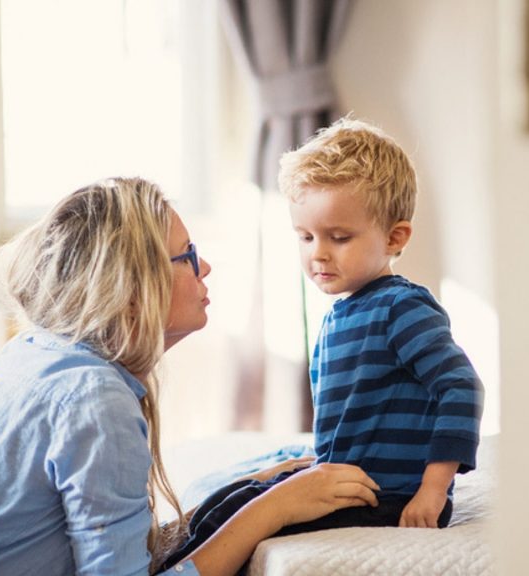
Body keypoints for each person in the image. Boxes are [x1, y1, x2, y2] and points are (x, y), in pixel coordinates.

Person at [0, 177, 381, 576]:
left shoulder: (32, 357)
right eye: (188, 256)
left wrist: (243, 492)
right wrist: (274, 510)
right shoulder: (94, 398)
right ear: (133, 292)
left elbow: (119, 550)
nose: (205, 267)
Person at [175, 117, 483, 557]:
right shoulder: (340, 316)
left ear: (395, 237)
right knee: (223, 501)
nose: (317, 252)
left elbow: (461, 386)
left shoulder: (402, 308)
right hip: (345, 482)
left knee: (236, 515)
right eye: (305, 236)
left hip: (388, 496)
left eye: (338, 237)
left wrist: (432, 491)